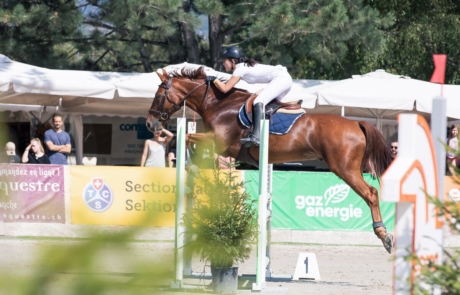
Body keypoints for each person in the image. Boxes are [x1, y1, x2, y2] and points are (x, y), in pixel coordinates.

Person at [205, 46, 293, 147]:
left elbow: (225, 88)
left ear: (233, 60)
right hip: (285, 79)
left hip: (281, 79)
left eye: (225, 61)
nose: (223, 63)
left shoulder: (239, 69)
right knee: (269, 106)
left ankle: (256, 136)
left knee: (258, 101)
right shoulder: (241, 68)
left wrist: (214, 80)